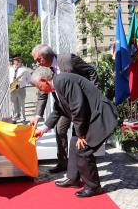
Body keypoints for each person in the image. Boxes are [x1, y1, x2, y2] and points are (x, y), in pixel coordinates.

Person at [32, 67, 118, 197]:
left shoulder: (62, 81)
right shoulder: (57, 84)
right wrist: (43, 129)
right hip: (90, 116)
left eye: (39, 86)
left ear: (45, 80)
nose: (40, 90)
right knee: (74, 143)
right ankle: (73, 179)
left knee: (83, 149)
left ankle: (94, 187)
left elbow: (78, 108)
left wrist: (80, 134)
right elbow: (58, 110)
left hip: (100, 116)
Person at [30, 44, 99, 173]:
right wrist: (37, 116)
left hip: (80, 103)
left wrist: (93, 95)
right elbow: (43, 93)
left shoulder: (68, 60)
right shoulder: (45, 70)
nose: (37, 62)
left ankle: (78, 169)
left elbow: (91, 71)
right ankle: (63, 163)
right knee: (60, 130)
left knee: (78, 134)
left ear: (47, 55)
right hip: (63, 106)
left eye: (38, 59)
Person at [9, 56, 32, 124]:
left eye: (19, 60)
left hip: (21, 89)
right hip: (12, 89)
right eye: (16, 60)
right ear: (13, 61)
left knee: (22, 104)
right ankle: (14, 118)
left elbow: (29, 79)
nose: (17, 62)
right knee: (13, 104)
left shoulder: (24, 69)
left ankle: (23, 118)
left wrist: (22, 83)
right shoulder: (9, 69)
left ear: (21, 61)